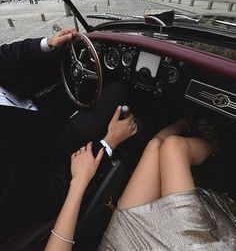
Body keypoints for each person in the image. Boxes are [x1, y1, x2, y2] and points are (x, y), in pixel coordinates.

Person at [0, 28, 136, 244]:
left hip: (41, 111)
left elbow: (5, 55)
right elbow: (50, 192)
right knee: (118, 90)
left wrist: (48, 43)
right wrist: (108, 143)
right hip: (57, 155)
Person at [44, 117, 236, 250]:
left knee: (156, 146)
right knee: (174, 148)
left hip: (122, 245)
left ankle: (185, 120)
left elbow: (59, 243)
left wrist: (79, 181)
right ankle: (213, 143)